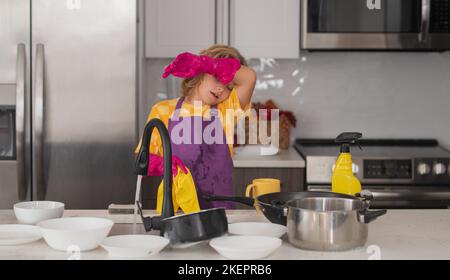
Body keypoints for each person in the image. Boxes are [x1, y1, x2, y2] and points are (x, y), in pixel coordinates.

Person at [136, 44, 257, 209]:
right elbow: (143, 159)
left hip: (219, 210)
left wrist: (206, 64)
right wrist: (166, 164)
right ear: (199, 74)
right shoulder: (163, 110)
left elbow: (249, 77)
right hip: (176, 210)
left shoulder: (226, 110)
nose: (221, 88)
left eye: (229, 86)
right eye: (217, 77)